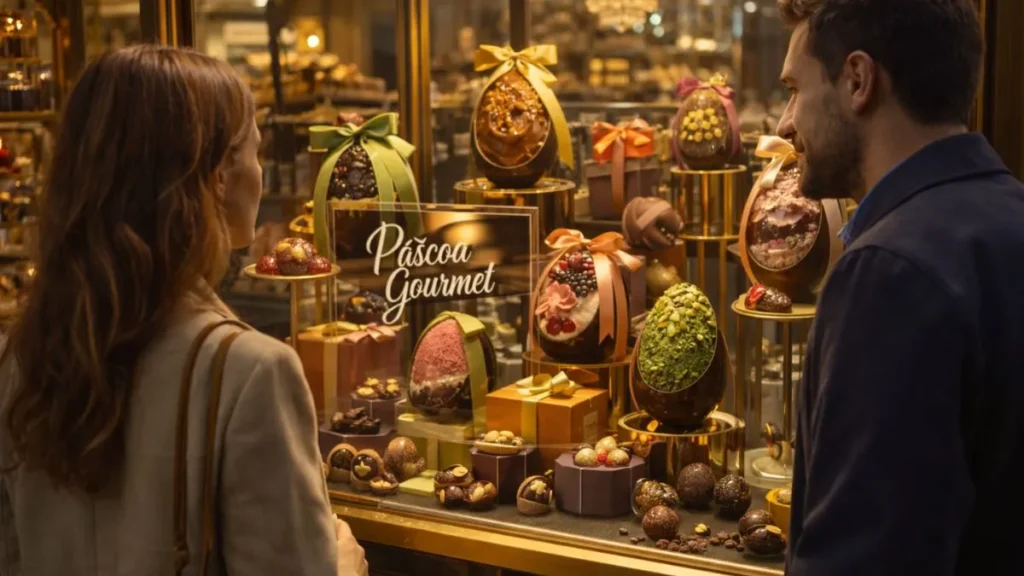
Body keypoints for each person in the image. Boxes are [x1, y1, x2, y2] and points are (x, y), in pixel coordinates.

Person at [0, 46, 366, 575]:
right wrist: (342, 566)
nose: (261, 174)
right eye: (256, 152)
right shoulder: (252, 373)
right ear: (218, 175)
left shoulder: (18, 364)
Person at [775, 0, 1024, 574]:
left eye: (795, 89)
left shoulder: (888, 272)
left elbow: (862, 557)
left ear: (858, 80)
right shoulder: (1009, 218)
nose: (786, 124)